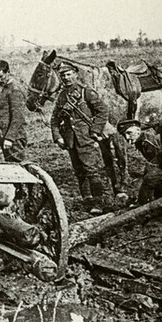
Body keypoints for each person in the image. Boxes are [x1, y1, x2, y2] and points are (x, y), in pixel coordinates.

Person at [50, 61, 113, 214]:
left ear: (76, 74)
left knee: (91, 170)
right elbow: (54, 119)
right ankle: (88, 200)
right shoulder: (62, 96)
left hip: (86, 139)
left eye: (69, 74)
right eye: (63, 75)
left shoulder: (86, 92)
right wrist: (58, 137)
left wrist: (94, 131)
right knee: (79, 172)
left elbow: (103, 111)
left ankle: (99, 203)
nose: (66, 77)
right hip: (70, 140)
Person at [0, 59, 29, 162]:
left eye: (0, 76)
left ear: (8, 72)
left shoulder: (15, 90)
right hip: (6, 137)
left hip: (15, 139)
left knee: (18, 168)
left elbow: (18, 117)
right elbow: (4, 114)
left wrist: (10, 138)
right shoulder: (6, 88)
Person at [117, 118, 162, 204]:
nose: (127, 137)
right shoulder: (140, 141)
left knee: (150, 178)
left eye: (129, 133)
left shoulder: (148, 140)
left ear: (138, 131)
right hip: (161, 166)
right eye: (124, 135)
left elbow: (159, 163)